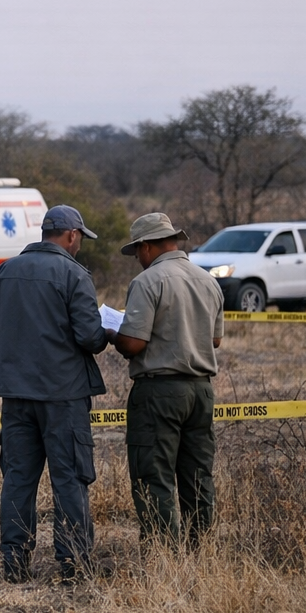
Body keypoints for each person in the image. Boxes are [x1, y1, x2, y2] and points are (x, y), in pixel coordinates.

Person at [0, 204, 109, 583]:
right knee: (69, 478)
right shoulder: (73, 274)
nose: (80, 243)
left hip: (16, 396)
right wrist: (108, 332)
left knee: (18, 477)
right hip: (63, 396)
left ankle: (15, 562)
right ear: (70, 235)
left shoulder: (3, 272)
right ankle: (74, 563)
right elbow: (89, 337)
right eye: (80, 237)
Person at [107, 212, 225, 546]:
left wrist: (113, 332)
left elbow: (134, 343)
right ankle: (197, 549)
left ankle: (163, 554)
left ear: (146, 246)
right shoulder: (208, 280)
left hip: (159, 392)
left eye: (136, 253)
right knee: (197, 474)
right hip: (201, 391)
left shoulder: (148, 282)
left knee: (153, 474)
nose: (137, 260)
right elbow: (214, 341)